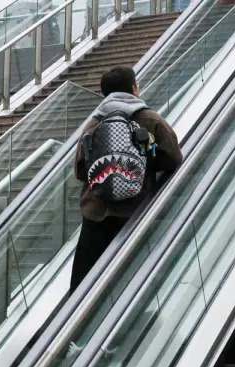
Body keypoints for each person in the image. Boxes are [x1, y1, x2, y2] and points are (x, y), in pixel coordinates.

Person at [72, 66, 182, 292]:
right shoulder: (149, 119)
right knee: (134, 272)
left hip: (96, 213)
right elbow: (173, 158)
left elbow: (80, 169)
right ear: (134, 88)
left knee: (86, 278)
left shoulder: (93, 124)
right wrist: (142, 165)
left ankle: (77, 315)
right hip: (136, 210)